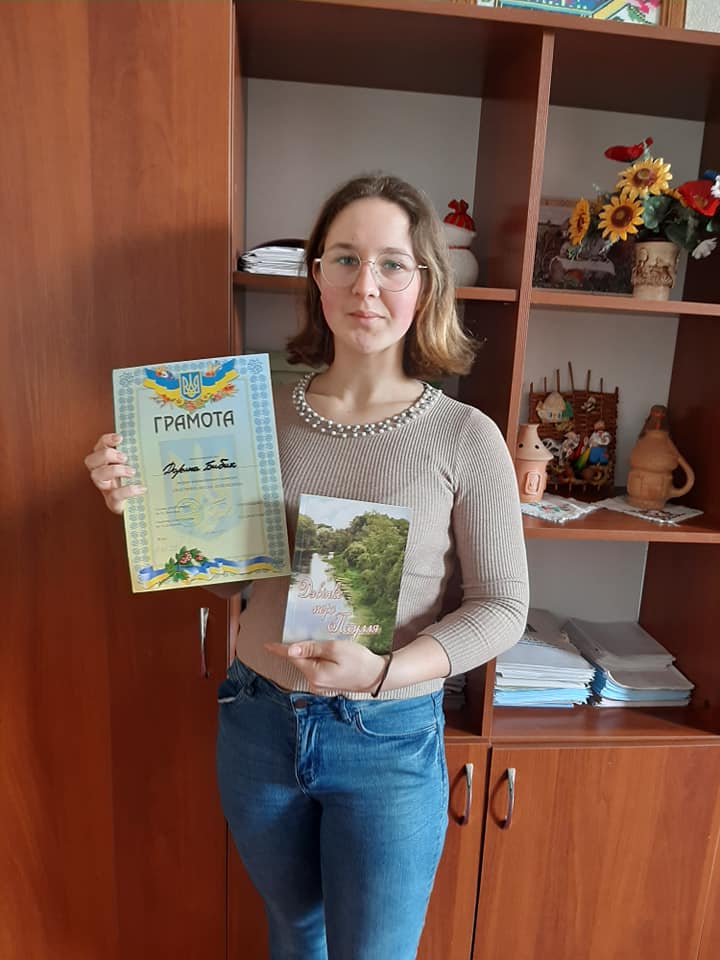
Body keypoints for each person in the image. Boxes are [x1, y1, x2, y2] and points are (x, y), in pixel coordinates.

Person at [84, 173, 529, 960]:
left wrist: (383, 673)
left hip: (387, 736)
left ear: (425, 283)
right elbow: (237, 577)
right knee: (295, 936)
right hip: (257, 723)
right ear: (315, 274)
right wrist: (149, 514)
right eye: (345, 259)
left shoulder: (466, 435)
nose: (367, 285)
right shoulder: (250, 414)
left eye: (392, 263)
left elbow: (502, 607)